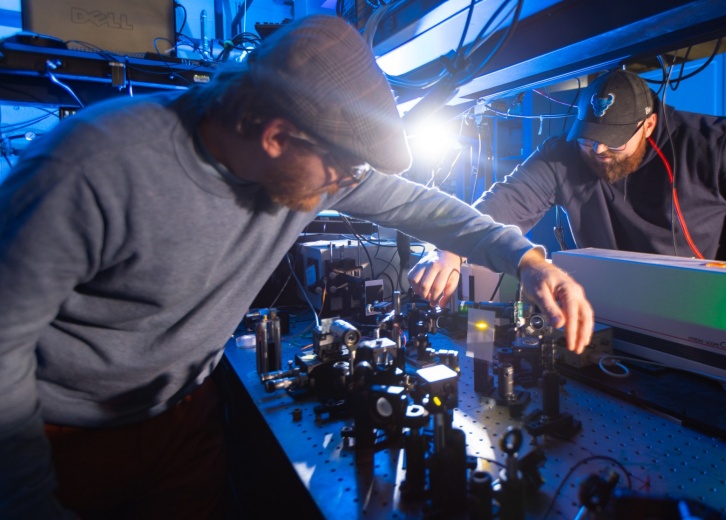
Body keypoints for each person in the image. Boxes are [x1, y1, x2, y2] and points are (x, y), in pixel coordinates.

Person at [0, 15, 594, 519]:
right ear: (278, 136)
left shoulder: (311, 169)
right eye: (344, 170)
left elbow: (421, 205)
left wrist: (527, 259)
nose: (351, 184)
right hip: (60, 437)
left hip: (184, 415)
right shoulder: (90, 167)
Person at [409, 69, 726, 305]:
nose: (599, 150)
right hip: (606, 307)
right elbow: (505, 201)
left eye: (614, 141)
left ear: (649, 124)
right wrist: (451, 248)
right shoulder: (563, 154)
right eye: (588, 139)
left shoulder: (713, 143)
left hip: (702, 305)